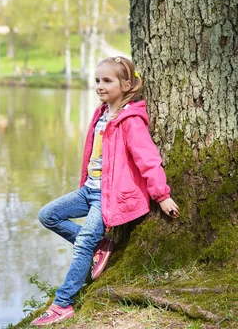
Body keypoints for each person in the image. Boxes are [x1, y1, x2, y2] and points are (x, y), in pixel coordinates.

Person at [31, 56, 181, 326]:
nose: (100, 86)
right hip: (88, 190)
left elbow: (148, 159)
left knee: (82, 246)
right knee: (47, 215)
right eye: (97, 80)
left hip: (109, 197)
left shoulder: (130, 120)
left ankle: (63, 303)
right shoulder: (100, 113)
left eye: (107, 81)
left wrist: (162, 195)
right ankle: (102, 244)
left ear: (126, 84)